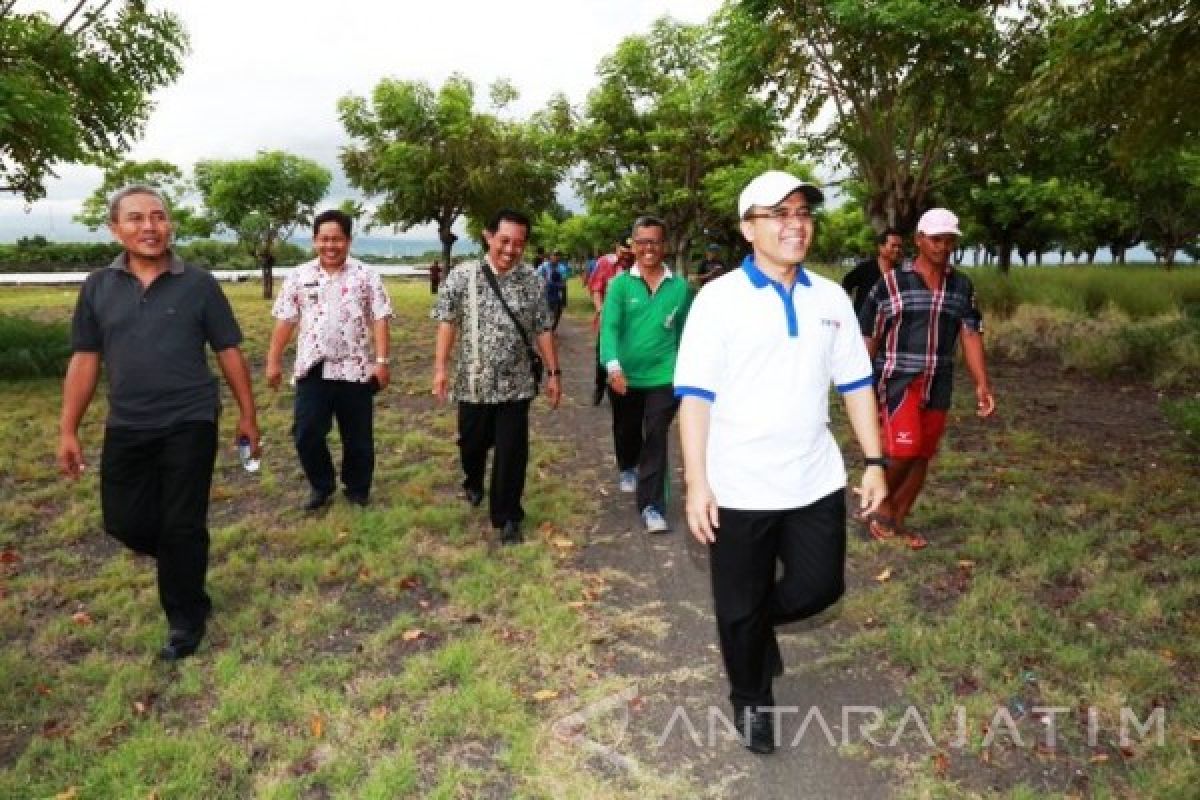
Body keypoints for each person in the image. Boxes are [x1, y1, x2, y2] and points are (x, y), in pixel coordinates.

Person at [674, 170, 887, 754]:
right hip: (738, 487)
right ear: (749, 228)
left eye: (803, 212)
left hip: (813, 479)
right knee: (738, 608)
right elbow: (694, 397)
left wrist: (874, 461)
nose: (796, 223)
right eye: (779, 213)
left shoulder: (831, 298)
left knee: (820, 588)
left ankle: (751, 623)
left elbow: (856, 383)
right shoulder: (717, 301)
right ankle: (750, 699)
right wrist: (697, 484)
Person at [57, 185, 260, 661]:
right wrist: (68, 429)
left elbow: (228, 350)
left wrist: (248, 415)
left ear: (170, 224)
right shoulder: (98, 287)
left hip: (190, 418)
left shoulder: (199, 284)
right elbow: (85, 359)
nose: (149, 226)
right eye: (135, 218)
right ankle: (183, 559)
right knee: (123, 521)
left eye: (158, 216)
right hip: (127, 422)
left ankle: (186, 620)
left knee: (181, 522)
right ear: (115, 229)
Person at [860, 208, 995, 549]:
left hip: (939, 383)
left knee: (922, 455)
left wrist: (982, 383)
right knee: (904, 450)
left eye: (949, 240)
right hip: (898, 382)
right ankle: (879, 507)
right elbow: (870, 336)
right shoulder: (891, 283)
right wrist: (860, 389)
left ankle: (897, 519)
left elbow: (970, 334)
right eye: (935, 239)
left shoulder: (961, 286)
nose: (942, 246)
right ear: (919, 240)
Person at [431, 209, 563, 544]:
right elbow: (447, 322)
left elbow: (543, 328)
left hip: (516, 385)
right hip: (472, 384)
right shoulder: (462, 276)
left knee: (511, 451)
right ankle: (473, 479)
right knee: (471, 444)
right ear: (489, 237)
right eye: (504, 240)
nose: (510, 249)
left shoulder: (531, 280)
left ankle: (508, 516)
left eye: (519, 243)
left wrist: (553, 373)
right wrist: (441, 368)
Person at [266, 209, 393, 511]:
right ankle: (321, 486)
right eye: (324, 239)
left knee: (358, 436)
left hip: (356, 369)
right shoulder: (299, 276)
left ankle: (357, 489)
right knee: (306, 432)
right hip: (313, 367)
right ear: (314, 241)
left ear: (348, 241)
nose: (330, 246)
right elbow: (285, 321)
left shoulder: (366, 275)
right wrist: (273, 360)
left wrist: (382, 361)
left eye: (337, 239)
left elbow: (380, 318)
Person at [599, 216, 693, 533]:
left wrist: (686, 370)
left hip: (664, 377)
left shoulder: (680, 289)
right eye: (642, 242)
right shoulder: (620, 285)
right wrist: (612, 366)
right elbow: (609, 329)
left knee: (655, 437)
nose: (648, 248)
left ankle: (652, 505)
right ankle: (627, 464)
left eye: (654, 241)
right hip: (624, 376)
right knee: (626, 429)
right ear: (633, 246)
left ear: (663, 245)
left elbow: (685, 334)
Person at [586, 238, 634, 405]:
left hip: (631, 324)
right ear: (616, 248)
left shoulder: (639, 266)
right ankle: (599, 386)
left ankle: (623, 390)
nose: (626, 257)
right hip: (608, 322)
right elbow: (596, 290)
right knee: (604, 356)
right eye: (623, 252)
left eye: (629, 253)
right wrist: (600, 310)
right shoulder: (605, 263)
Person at [841, 228, 903, 315]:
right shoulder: (865, 269)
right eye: (893, 246)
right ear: (881, 247)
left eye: (899, 246)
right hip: (863, 323)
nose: (897, 250)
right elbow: (846, 285)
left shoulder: (901, 273)